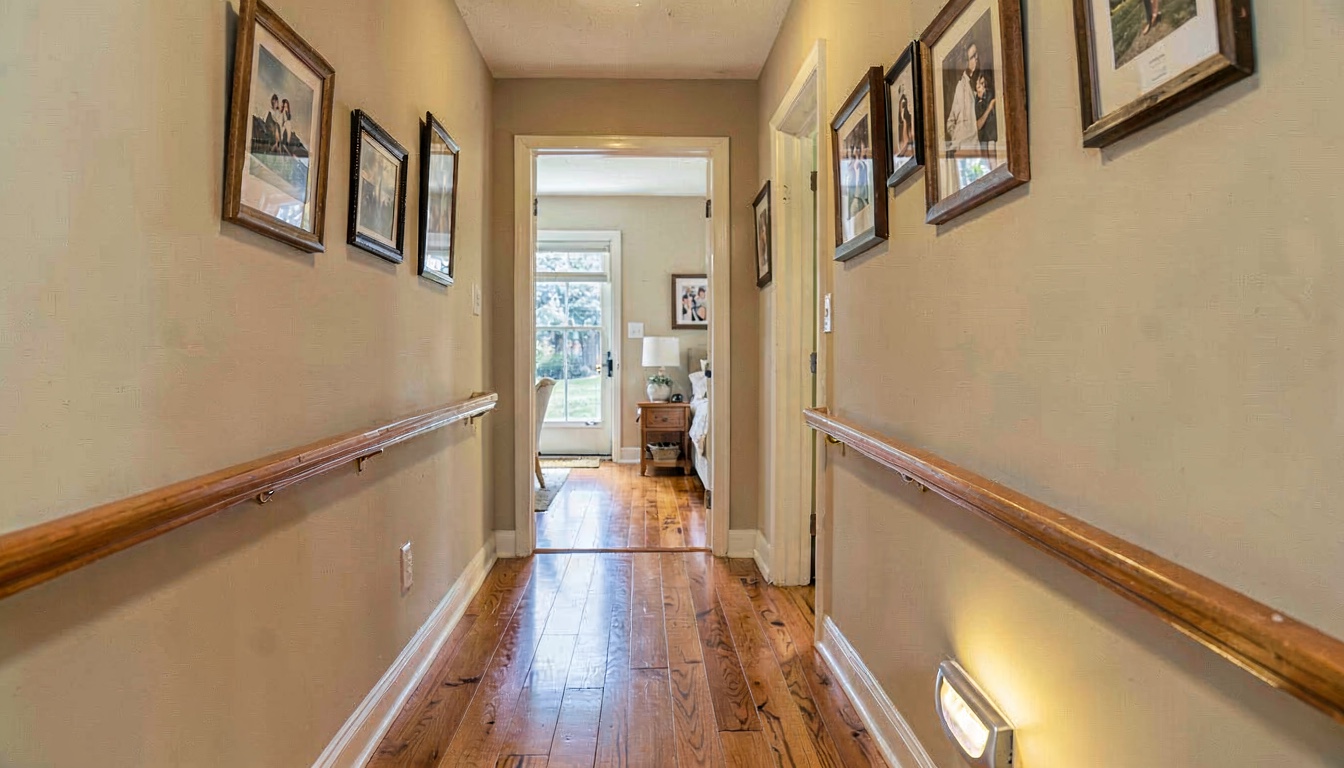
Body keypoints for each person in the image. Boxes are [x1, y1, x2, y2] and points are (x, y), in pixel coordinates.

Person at [945, 42, 981, 157]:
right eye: (972, 57)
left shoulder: (982, 78)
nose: (976, 59)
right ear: (967, 62)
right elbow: (951, 122)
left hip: (980, 144)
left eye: (976, 55)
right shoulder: (961, 87)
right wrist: (959, 139)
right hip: (966, 147)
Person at [973, 71, 997, 152]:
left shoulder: (990, 96)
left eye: (982, 83)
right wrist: (990, 107)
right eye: (978, 83)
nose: (979, 86)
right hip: (982, 142)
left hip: (992, 139)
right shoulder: (977, 101)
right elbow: (978, 125)